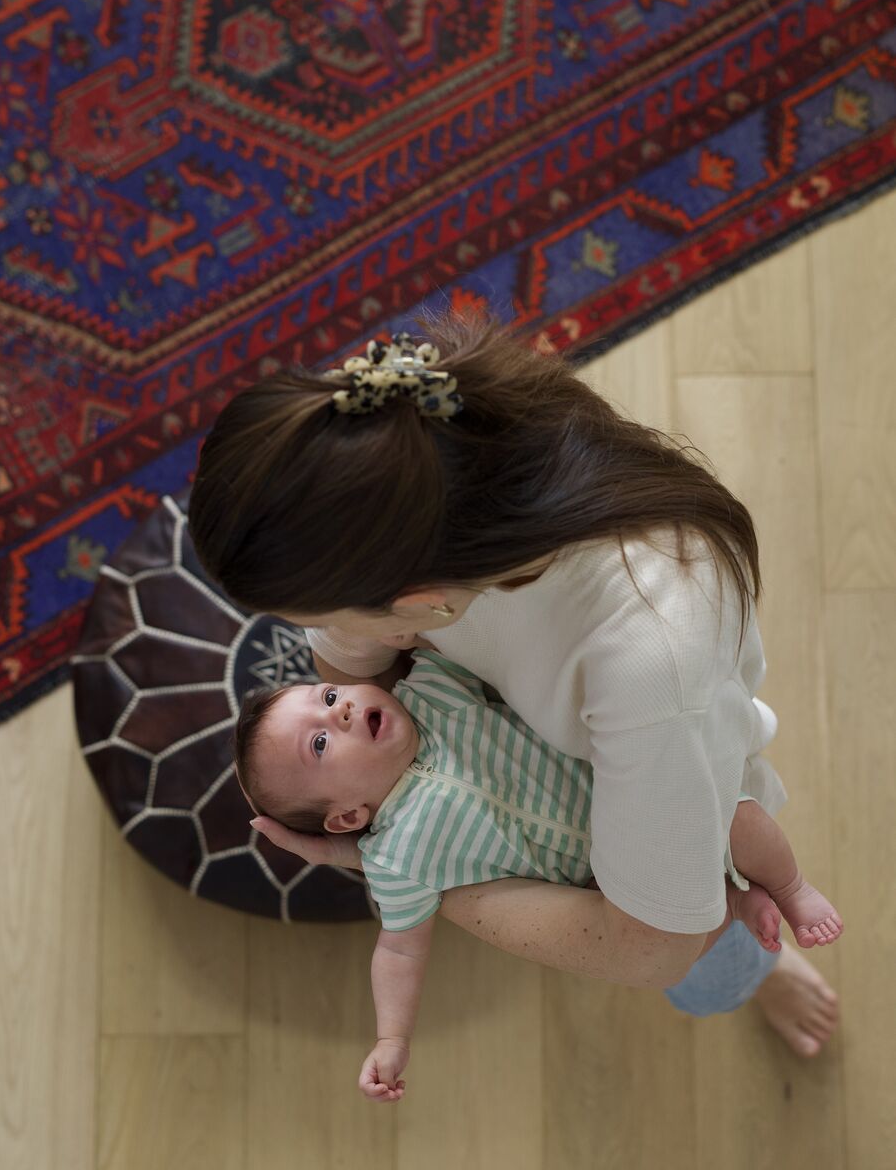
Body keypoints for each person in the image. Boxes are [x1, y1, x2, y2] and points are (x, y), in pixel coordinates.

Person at [190, 314, 841, 1058]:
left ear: (420, 605)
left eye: (328, 620)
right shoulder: (417, 447)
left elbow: (657, 948)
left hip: (688, 803)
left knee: (716, 956)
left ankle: (763, 970)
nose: (333, 685)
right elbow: (355, 657)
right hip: (589, 776)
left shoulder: (650, 666)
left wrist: (418, 867)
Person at [233, 648, 843, 1100]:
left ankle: (788, 890)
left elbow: (504, 664)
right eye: (317, 745)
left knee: (741, 819)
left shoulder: (433, 692)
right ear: (346, 815)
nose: (339, 712)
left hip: (645, 801)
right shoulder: (396, 858)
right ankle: (742, 907)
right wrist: (392, 1038)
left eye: (328, 696)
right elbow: (398, 951)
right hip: (616, 883)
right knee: (697, 945)